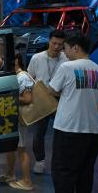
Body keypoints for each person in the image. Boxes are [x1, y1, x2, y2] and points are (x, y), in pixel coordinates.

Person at [43, 35, 98, 193]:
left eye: (66, 48)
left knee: (63, 167)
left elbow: (52, 89)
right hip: (93, 129)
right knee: (86, 169)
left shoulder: (67, 67)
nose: (64, 52)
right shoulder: (97, 69)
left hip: (69, 126)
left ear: (75, 47)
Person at [27, 29, 67, 174]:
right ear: (49, 41)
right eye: (54, 43)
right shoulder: (37, 58)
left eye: (60, 44)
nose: (56, 47)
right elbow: (29, 77)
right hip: (41, 99)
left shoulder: (66, 59)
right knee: (38, 133)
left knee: (63, 132)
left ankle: (61, 161)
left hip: (61, 99)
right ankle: (40, 161)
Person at [1, 53, 35, 191]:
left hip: (20, 118)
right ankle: (10, 174)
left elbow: (28, 99)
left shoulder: (23, 77)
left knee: (21, 149)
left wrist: (10, 96)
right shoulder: (16, 76)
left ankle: (27, 181)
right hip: (13, 116)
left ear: (16, 61)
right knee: (11, 147)